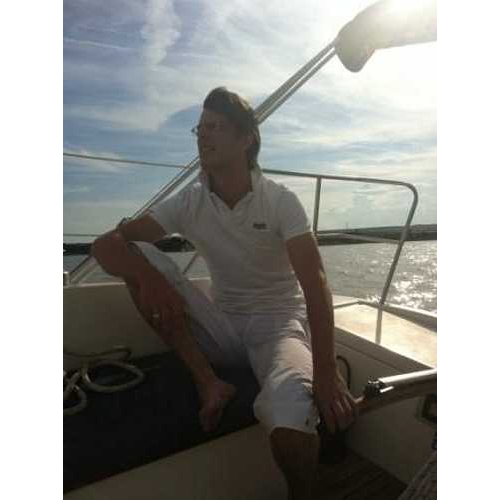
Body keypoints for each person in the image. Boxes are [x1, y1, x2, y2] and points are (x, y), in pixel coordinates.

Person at [92, 86, 357, 500]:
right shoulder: (189, 202)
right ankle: (208, 382)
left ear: (246, 138)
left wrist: (325, 370)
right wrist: (149, 276)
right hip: (221, 326)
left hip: (277, 328)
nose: (202, 135)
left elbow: (316, 282)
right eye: (199, 128)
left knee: (288, 417)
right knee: (139, 255)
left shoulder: (280, 201)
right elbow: (105, 245)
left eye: (214, 127)